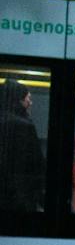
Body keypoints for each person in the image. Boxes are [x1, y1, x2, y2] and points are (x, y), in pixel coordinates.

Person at [1, 81, 46, 214]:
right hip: (19, 199)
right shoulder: (24, 126)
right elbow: (37, 166)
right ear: (18, 100)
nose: (30, 103)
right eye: (28, 99)